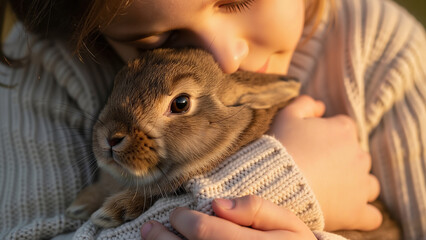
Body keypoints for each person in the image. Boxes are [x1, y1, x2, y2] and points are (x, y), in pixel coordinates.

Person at [0, 0, 424, 239]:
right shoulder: (39, 67)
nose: (227, 58)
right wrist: (288, 180)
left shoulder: (386, 53)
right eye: (154, 41)